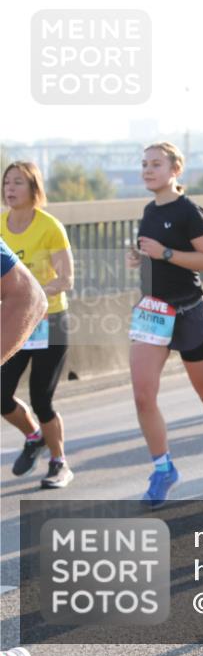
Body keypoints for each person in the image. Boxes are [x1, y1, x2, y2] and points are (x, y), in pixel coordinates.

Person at [128, 142, 203, 508]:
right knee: (143, 395)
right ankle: (163, 469)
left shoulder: (190, 211)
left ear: (176, 170)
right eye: (144, 164)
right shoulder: (149, 211)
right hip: (153, 311)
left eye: (156, 164)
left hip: (189, 311)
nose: (147, 170)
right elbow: (156, 258)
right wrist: (142, 258)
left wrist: (165, 253)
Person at [2, 162, 75, 489]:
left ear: (34, 188)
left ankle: (59, 462)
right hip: (13, 321)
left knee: (41, 399)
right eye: (6, 182)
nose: (10, 188)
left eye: (18, 182)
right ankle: (34, 436)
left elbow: (66, 279)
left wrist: (32, 295)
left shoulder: (49, 227)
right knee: (1, 395)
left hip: (49, 322)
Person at [1, 237, 47, 363]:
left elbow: (66, 278)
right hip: (13, 313)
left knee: (41, 373)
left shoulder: (51, 228)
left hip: (44, 316)